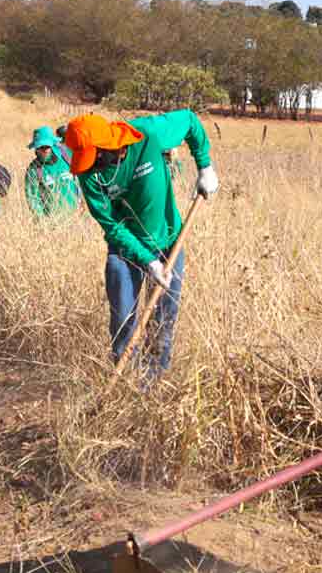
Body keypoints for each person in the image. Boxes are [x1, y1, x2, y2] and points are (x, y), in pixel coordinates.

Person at [63, 110, 218, 378]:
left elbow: (190, 121)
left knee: (163, 319)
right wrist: (148, 260)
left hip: (169, 242)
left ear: (108, 146)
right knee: (123, 319)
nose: (90, 167)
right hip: (125, 252)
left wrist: (205, 167)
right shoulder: (89, 174)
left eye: (93, 157)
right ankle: (128, 383)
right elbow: (111, 225)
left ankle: (156, 381)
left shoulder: (148, 134)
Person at [24, 126, 81, 218]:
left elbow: (80, 179)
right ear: (35, 148)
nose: (44, 150)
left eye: (47, 146)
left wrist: (81, 207)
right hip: (52, 221)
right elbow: (32, 198)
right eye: (40, 147)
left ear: (52, 145)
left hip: (76, 217)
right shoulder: (33, 170)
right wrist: (42, 219)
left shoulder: (67, 156)